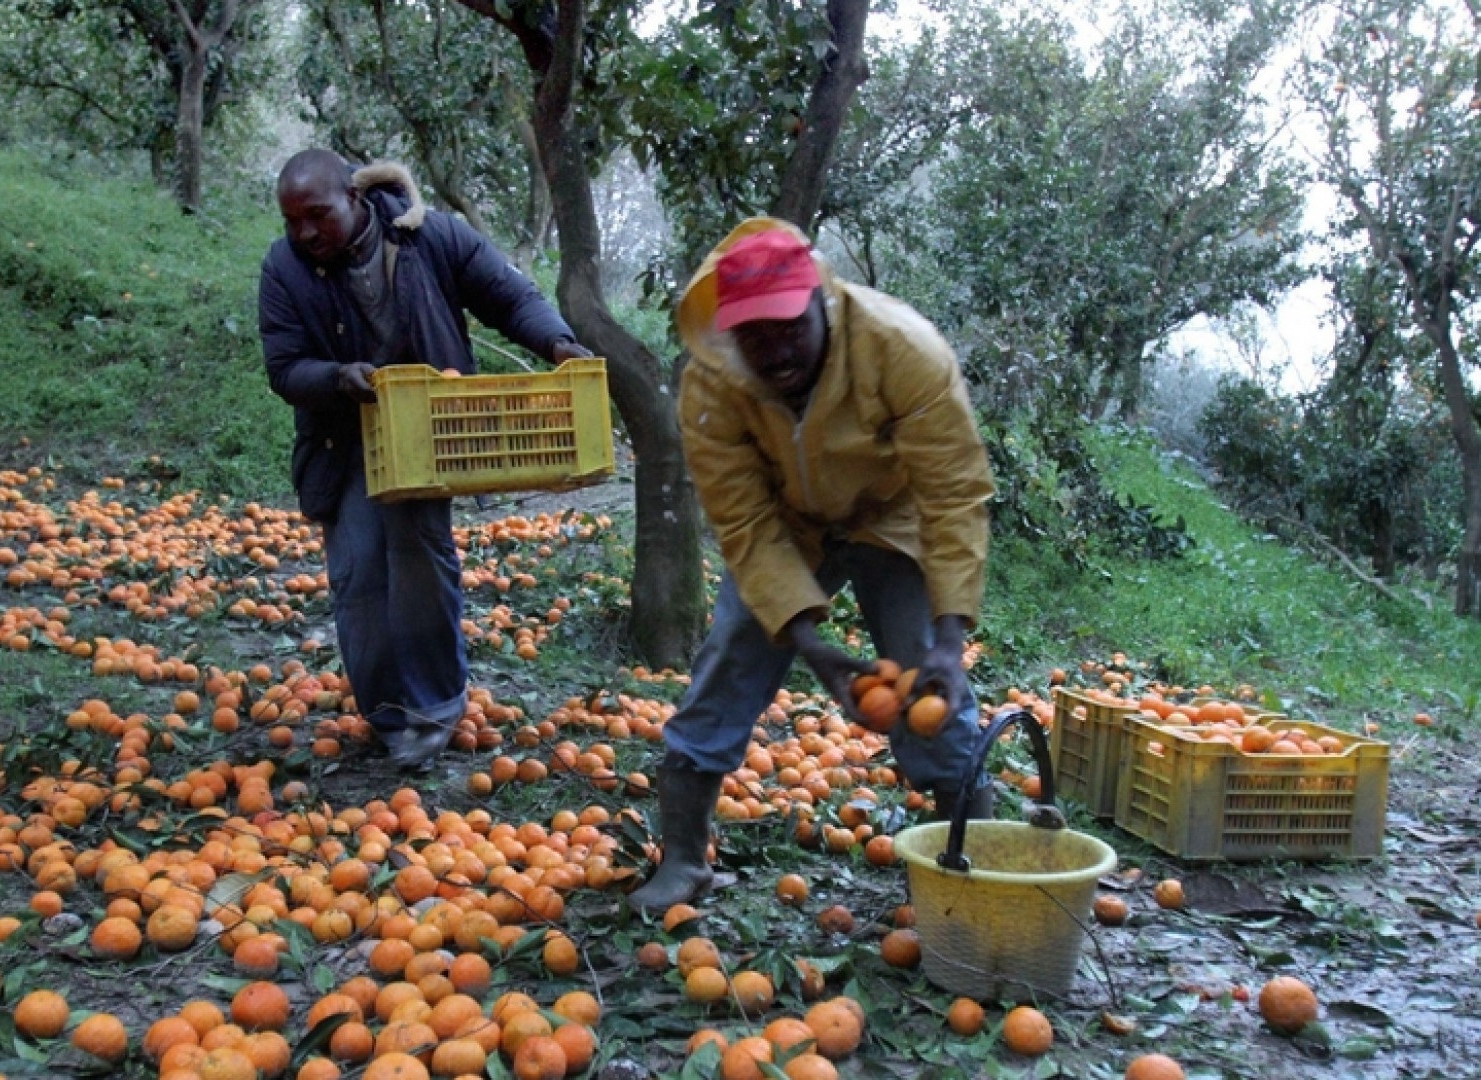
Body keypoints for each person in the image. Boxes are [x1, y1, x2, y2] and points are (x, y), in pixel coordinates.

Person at [628, 219, 997, 911]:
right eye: (754, 335)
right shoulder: (713, 385)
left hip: (894, 514)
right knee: (734, 650)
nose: (774, 350)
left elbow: (953, 494)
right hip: (788, 524)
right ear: (728, 333)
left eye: (789, 326)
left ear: (820, 302)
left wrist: (950, 641)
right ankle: (682, 859)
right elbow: (742, 518)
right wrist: (806, 642)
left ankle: (971, 856)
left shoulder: (901, 349)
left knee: (926, 677)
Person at [259, 150, 591, 769]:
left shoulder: (428, 235)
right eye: (291, 220)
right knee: (358, 575)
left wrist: (558, 341)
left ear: (355, 199)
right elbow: (283, 367)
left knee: (416, 563)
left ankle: (435, 709)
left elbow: (507, 295)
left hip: (425, 433)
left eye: (317, 215)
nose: (304, 233)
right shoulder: (285, 268)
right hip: (346, 440)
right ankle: (388, 715)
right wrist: (337, 376)